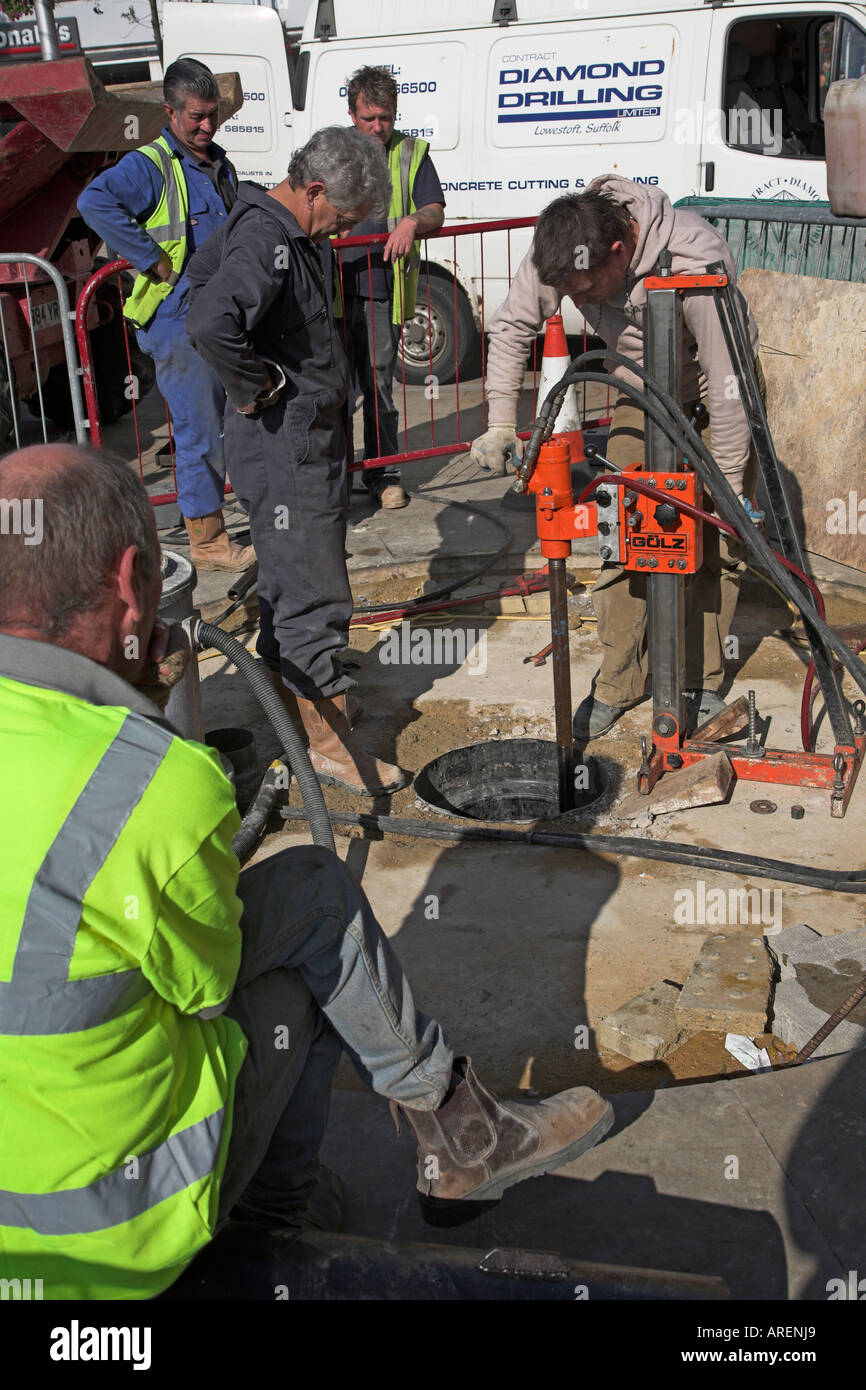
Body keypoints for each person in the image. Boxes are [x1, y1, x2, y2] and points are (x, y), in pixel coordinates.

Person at [0, 441, 614, 1299]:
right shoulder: (153, 786)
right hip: (109, 1242)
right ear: (133, 582)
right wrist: (142, 715)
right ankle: (348, 1183)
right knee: (314, 924)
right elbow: (205, 987)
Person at [470, 175, 763, 740]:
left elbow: (727, 385)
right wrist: (501, 421)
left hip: (713, 391)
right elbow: (510, 327)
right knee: (625, 531)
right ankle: (621, 680)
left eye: (590, 289)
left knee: (713, 541)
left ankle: (697, 680)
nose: (581, 302)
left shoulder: (691, 256)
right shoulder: (560, 249)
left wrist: (724, 485)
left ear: (619, 250)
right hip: (641, 392)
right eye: (571, 293)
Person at [185, 126, 407, 797]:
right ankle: (333, 750)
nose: (340, 231)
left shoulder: (281, 229)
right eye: (339, 218)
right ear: (312, 189)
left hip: (300, 440)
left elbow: (200, 281)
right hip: (287, 449)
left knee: (293, 581)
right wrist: (260, 386)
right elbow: (207, 321)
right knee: (312, 592)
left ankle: (302, 709)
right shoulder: (267, 238)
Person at [78, 58, 254, 573]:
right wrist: (150, 257)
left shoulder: (216, 160)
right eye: (196, 117)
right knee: (198, 431)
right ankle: (207, 539)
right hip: (176, 320)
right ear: (170, 112)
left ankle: (223, 516)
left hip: (216, 315)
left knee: (227, 424)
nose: (207, 125)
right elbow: (95, 201)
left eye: (212, 115)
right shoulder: (151, 165)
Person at [338, 64, 446, 510]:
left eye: (386, 117)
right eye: (369, 118)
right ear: (352, 113)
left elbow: (435, 212)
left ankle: (381, 474)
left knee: (378, 384)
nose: (378, 127)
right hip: (333, 288)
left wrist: (411, 221)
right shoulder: (333, 152)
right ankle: (336, 477)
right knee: (334, 389)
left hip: (381, 288)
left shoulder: (411, 153)